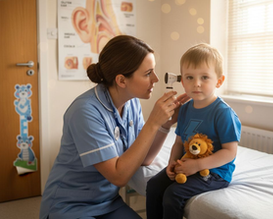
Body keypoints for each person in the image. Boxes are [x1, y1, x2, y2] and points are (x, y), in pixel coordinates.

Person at [39, 35, 189, 219]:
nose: (156, 79)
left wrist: (165, 124)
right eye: (148, 73)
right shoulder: (85, 111)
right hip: (69, 206)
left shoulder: (131, 103)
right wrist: (152, 123)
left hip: (107, 204)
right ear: (121, 80)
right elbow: (119, 176)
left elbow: (144, 158)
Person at [146, 43, 241, 219]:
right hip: (187, 163)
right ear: (182, 81)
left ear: (219, 81)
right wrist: (172, 163)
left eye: (205, 77)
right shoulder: (185, 109)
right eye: (190, 77)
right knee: (153, 186)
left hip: (215, 172)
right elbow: (179, 143)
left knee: (173, 194)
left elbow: (230, 152)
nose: (196, 84)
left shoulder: (223, 113)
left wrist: (197, 165)